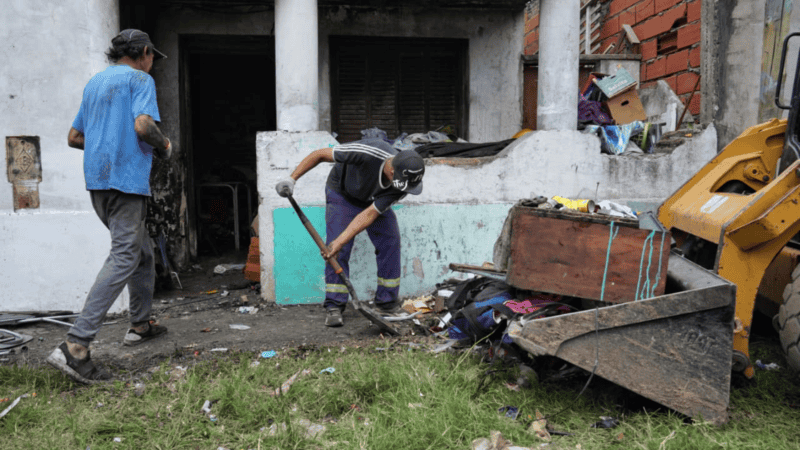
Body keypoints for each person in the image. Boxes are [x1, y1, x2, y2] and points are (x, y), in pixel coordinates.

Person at [46, 29, 172, 384]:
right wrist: (164, 146)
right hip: (126, 182)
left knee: (141, 251)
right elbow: (144, 125)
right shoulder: (139, 79)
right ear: (145, 52)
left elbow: (74, 138)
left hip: (98, 183)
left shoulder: (95, 83)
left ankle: (141, 323)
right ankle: (76, 345)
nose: (152, 64)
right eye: (152, 58)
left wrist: (107, 144)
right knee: (125, 255)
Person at [276, 139, 425, 327]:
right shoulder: (368, 152)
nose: (403, 189)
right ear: (392, 170)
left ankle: (386, 303)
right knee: (338, 249)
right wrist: (292, 179)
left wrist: (340, 241)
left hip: (372, 201)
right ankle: (334, 305)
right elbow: (320, 154)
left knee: (390, 242)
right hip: (342, 194)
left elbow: (369, 214)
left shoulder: (402, 186)